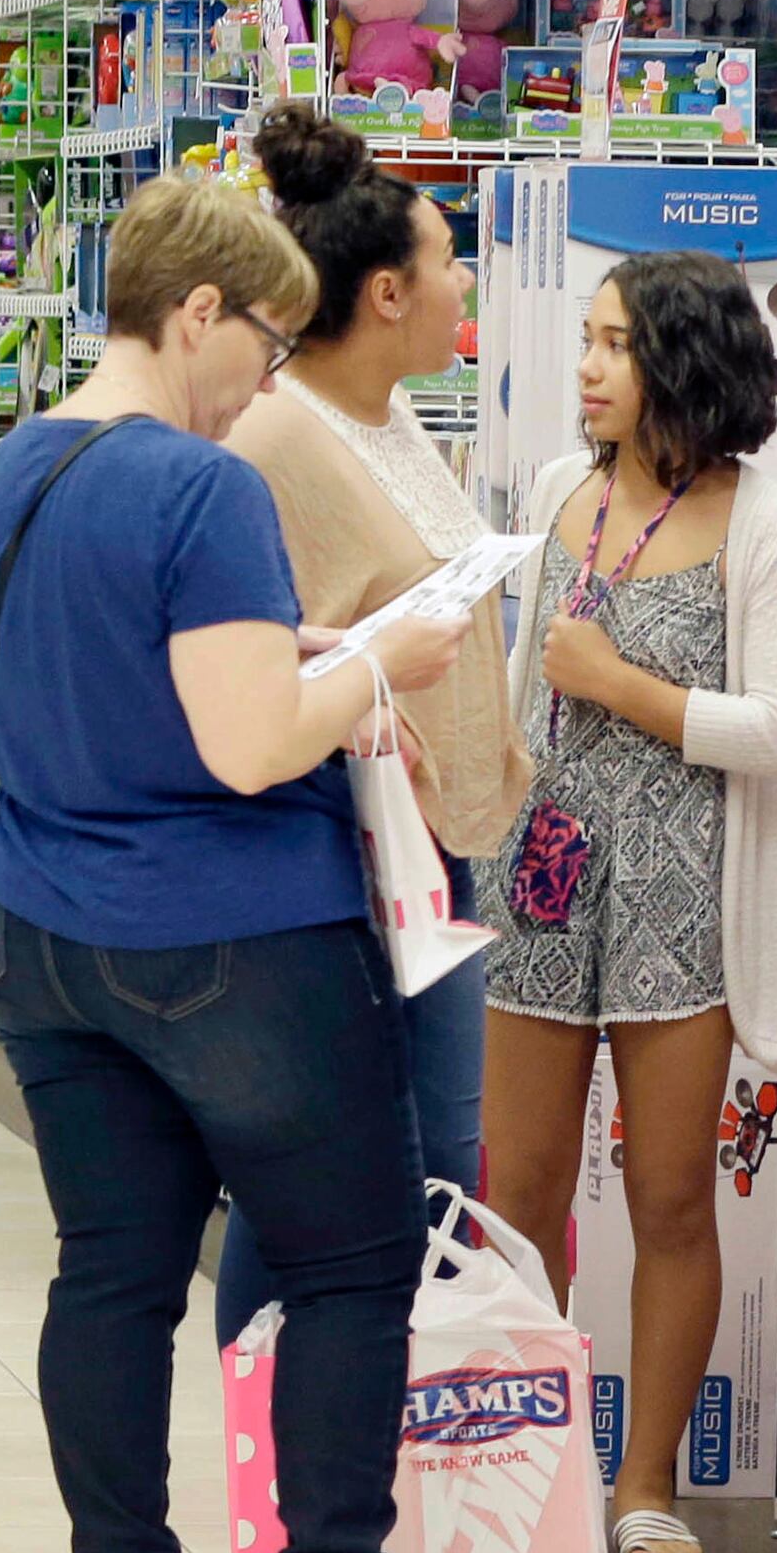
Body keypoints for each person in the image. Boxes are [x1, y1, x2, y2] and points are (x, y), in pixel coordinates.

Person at [0, 171, 526, 1553]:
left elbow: (111, 678)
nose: (267, 376)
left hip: (43, 930)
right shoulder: (200, 491)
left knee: (113, 1269)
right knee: (349, 1259)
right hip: (235, 937)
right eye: (261, 339)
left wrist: (302, 653)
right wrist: (386, 653)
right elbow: (254, 742)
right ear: (195, 311)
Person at [477, 251, 777, 1553]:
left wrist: (626, 684)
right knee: (519, 1193)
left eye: (614, 342)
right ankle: (521, 1464)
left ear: (682, 358)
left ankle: (643, 1481)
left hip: (687, 888)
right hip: (546, 877)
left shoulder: (769, 523)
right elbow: (520, 701)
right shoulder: (559, 491)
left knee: (673, 1193)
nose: (587, 366)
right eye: (586, 338)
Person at [219, 106, 526, 1340]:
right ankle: (281, 1438)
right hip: (340, 856)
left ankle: (397, 1447)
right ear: (389, 291)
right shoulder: (275, 436)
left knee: (436, 1150)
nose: (467, 287)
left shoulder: (392, 419)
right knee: (326, 1161)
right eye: (452, 261)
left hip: (429, 845)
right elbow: (246, 655)